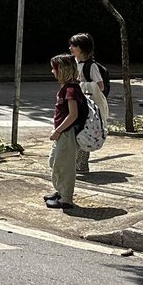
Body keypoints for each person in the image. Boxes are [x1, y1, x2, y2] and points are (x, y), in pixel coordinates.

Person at [46, 54, 88, 210]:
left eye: (54, 68)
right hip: (63, 133)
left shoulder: (71, 90)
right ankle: (60, 190)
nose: (52, 71)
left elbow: (73, 115)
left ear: (62, 70)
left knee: (65, 166)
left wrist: (58, 131)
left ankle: (66, 199)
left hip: (67, 133)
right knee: (54, 162)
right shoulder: (67, 88)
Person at [69, 32, 109, 175]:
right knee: (75, 132)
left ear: (82, 48)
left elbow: (100, 86)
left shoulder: (91, 66)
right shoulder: (74, 63)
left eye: (74, 46)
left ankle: (82, 164)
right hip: (77, 102)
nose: (71, 48)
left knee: (83, 132)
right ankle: (76, 163)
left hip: (87, 106)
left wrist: (84, 86)